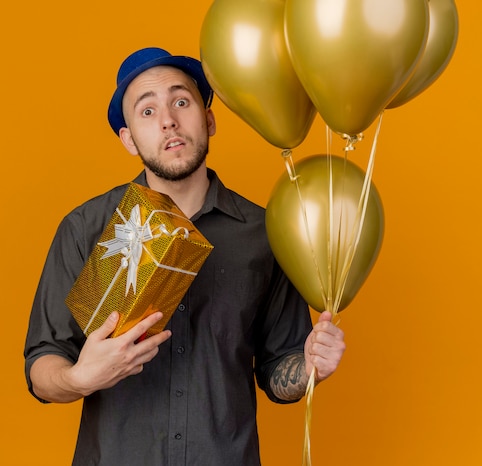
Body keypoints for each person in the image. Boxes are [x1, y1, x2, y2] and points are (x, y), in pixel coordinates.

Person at [24, 47, 346, 466]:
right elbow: (42, 366)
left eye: (181, 101)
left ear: (209, 119)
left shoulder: (267, 233)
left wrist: (308, 368)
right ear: (128, 140)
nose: (168, 120)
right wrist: (78, 378)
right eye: (146, 111)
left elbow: (277, 371)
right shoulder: (87, 228)